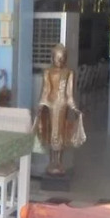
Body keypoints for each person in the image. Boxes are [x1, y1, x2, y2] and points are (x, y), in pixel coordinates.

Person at [34, 43, 85, 175]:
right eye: (57, 57)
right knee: (52, 132)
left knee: (60, 132)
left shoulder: (69, 73)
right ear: (52, 58)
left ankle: (59, 162)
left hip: (62, 105)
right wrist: (41, 105)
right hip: (51, 105)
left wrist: (74, 108)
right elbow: (46, 90)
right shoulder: (48, 72)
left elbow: (69, 95)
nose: (60, 60)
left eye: (62, 58)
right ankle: (52, 161)